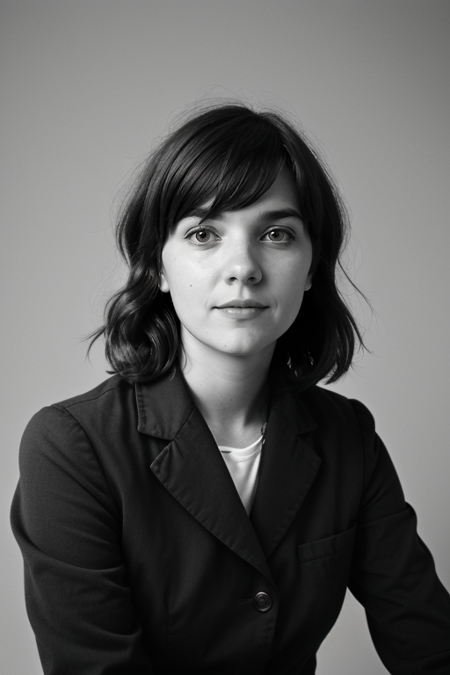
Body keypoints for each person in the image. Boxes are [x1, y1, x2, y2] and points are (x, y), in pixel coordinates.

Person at [11, 102, 450, 675]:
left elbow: (428, 642)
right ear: (159, 268)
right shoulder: (70, 446)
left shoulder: (349, 438)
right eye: (203, 233)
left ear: (313, 264)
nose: (242, 266)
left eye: (275, 233)